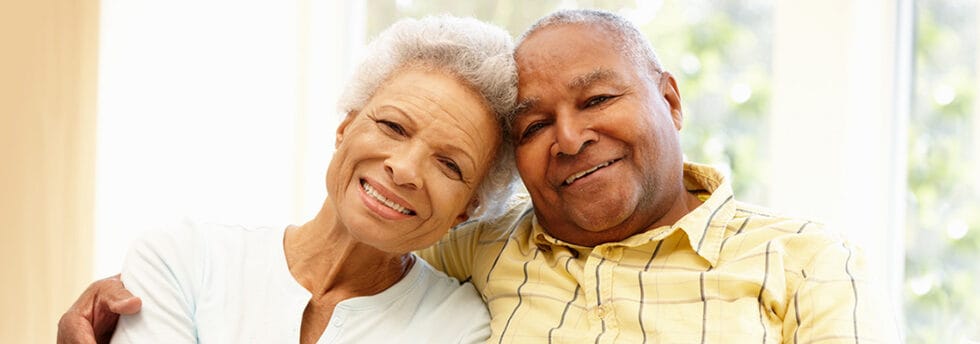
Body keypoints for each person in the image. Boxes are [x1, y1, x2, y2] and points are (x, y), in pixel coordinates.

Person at [59, 9, 899, 344]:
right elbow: (371, 226)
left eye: (599, 98)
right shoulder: (487, 257)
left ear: (671, 100)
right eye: (534, 125)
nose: (569, 138)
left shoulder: (806, 261)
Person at [78, 15, 520, 344]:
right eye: (393, 127)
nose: (404, 169)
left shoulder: (460, 327)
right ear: (346, 126)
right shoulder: (181, 260)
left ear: (468, 208)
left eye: (450, 165)